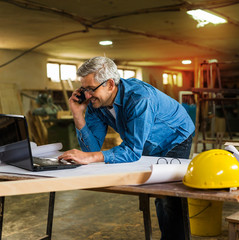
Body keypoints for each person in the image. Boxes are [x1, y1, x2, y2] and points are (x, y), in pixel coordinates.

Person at [58, 56, 195, 240]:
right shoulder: (96, 103)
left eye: (91, 89)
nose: (87, 95)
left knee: (168, 195)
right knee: (158, 193)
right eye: (84, 89)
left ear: (110, 84)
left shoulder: (139, 99)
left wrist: (91, 157)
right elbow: (91, 148)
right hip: (147, 141)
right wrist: (77, 114)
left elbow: (132, 150)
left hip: (175, 136)